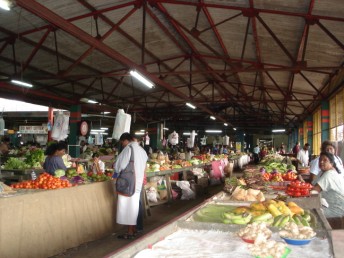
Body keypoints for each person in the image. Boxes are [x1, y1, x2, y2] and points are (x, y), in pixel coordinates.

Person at [114, 133, 148, 239]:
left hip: (128, 183)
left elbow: (119, 165)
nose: (122, 145)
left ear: (125, 140)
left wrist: (115, 171)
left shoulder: (128, 149)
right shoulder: (142, 151)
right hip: (137, 184)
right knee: (134, 206)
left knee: (127, 207)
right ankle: (133, 230)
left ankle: (129, 232)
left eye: (122, 142)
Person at [312, 152, 344, 218]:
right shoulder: (322, 172)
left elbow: (313, 191)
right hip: (329, 205)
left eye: (325, 160)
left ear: (331, 163)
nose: (321, 162)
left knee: (311, 213)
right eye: (320, 160)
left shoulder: (329, 174)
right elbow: (312, 186)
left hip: (338, 210)